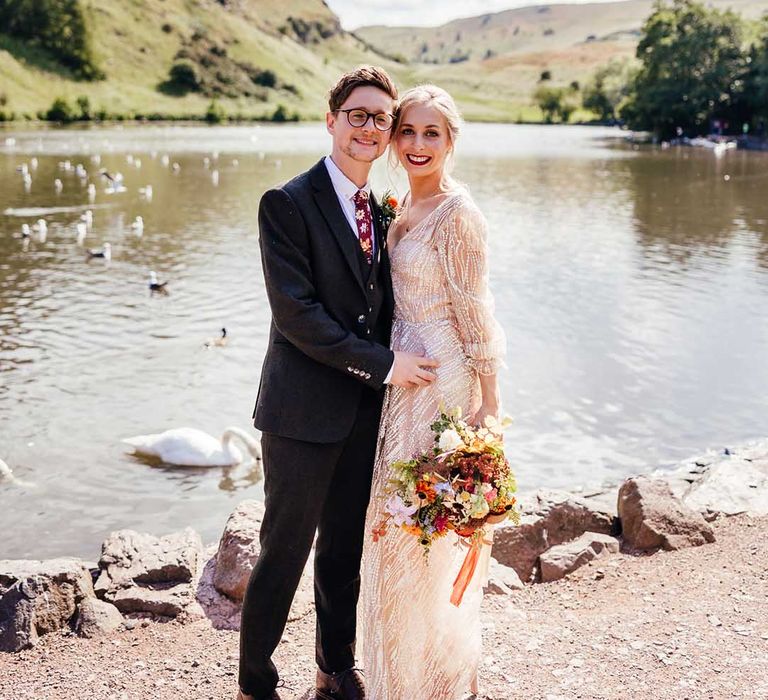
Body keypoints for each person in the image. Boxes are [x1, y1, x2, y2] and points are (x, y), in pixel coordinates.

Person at [237, 66, 440, 700]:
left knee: (345, 548)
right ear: (331, 119)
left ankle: (334, 666)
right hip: (300, 415)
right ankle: (255, 681)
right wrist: (385, 365)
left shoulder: (382, 210)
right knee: (283, 550)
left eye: (381, 119)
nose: (370, 128)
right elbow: (298, 317)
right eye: (358, 114)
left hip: (364, 413)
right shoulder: (286, 203)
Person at [360, 85, 506, 700]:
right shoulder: (399, 208)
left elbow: (477, 314)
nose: (418, 145)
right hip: (401, 378)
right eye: (408, 133)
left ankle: (439, 678)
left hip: (442, 383)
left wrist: (489, 408)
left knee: (423, 529)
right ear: (394, 141)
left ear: (451, 143)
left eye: (432, 134)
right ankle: (403, 670)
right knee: (393, 530)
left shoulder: (458, 214)